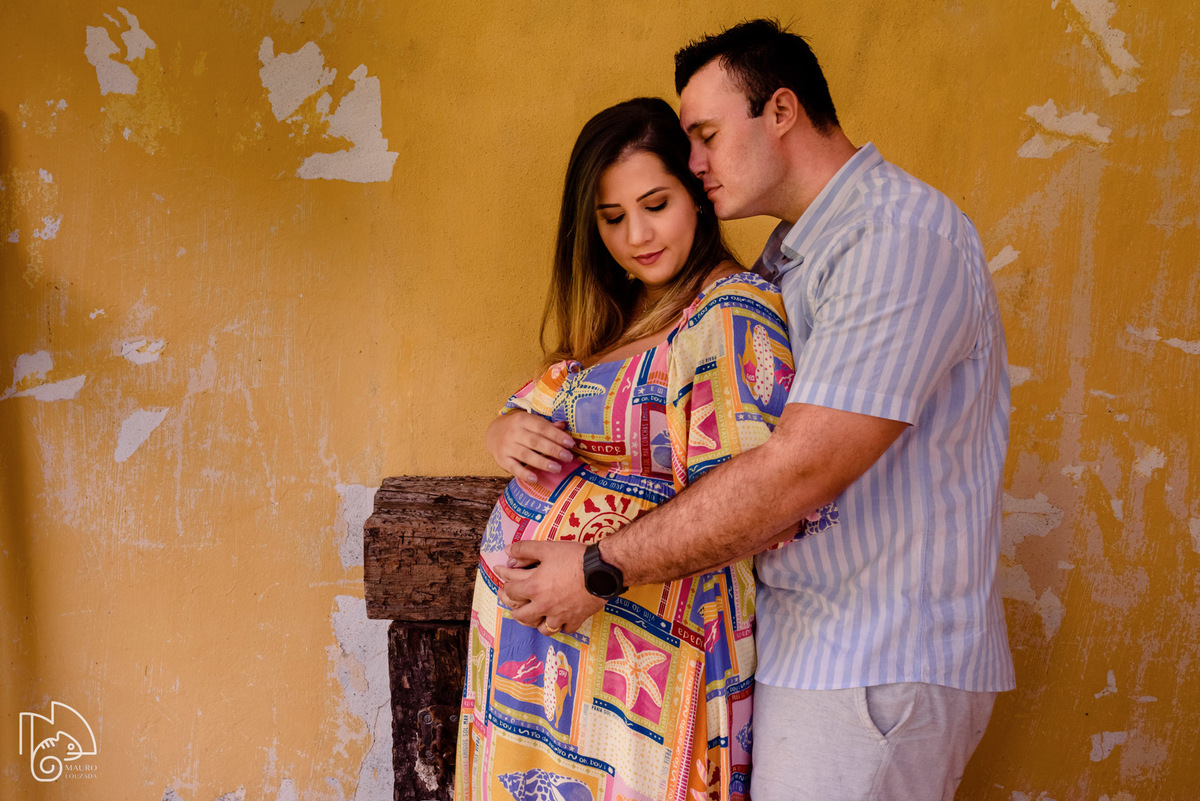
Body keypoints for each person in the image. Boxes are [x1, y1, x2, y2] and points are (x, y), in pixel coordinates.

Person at [499, 19, 1015, 801]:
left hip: (874, 664)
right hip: (812, 653)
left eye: (704, 135)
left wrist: (599, 568)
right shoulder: (797, 254)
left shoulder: (899, 237)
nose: (695, 161)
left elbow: (797, 471)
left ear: (780, 111)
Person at [456, 97, 797, 801]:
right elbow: (537, 408)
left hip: (645, 670)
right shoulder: (631, 316)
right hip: (551, 667)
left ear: (697, 196)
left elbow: (744, 500)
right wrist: (502, 431)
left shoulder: (732, 314)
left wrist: (587, 565)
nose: (637, 234)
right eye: (613, 218)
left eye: (656, 204)